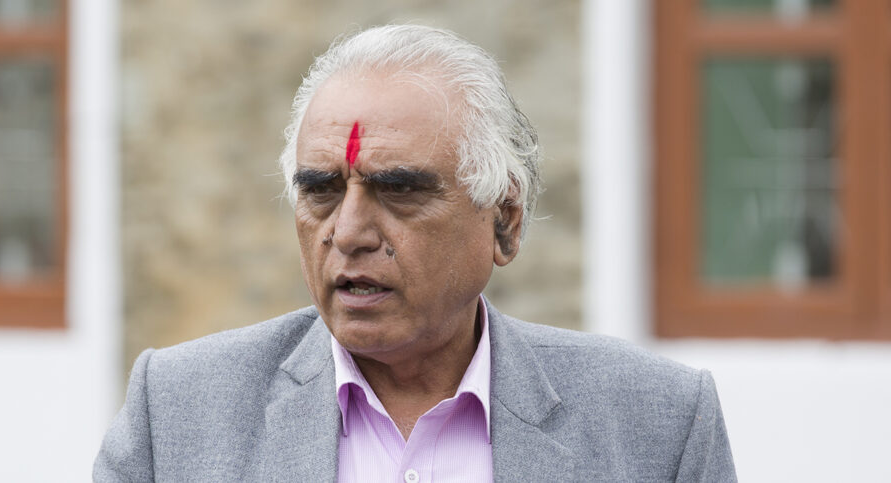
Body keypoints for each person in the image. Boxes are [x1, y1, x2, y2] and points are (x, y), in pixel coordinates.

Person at [94, 24, 736, 482]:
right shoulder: (176, 413)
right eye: (320, 191)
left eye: (399, 190)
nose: (348, 233)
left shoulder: (657, 425)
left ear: (504, 222)